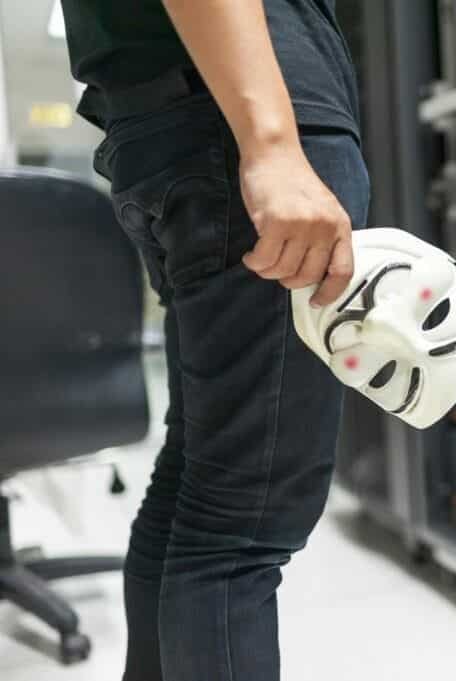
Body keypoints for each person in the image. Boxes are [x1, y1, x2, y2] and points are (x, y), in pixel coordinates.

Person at [59, 2, 368, 680]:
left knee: (200, 488)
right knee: (240, 525)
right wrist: (273, 144)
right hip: (238, 120)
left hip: (171, 121)